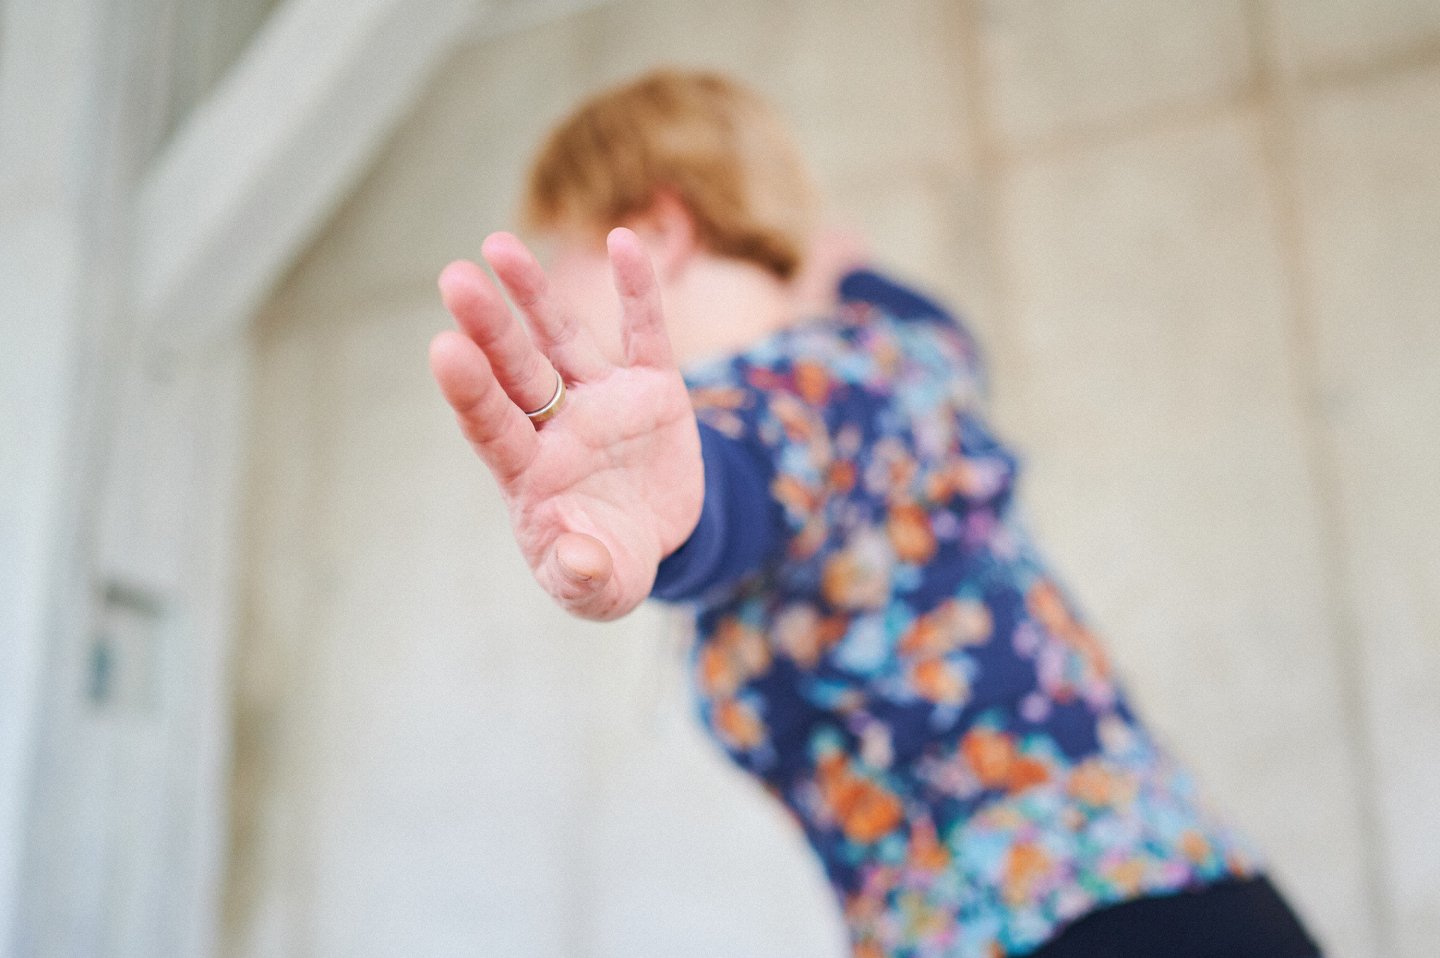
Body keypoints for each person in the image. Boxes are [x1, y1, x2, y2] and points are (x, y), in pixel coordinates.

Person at [428, 69, 1321, 958]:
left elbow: (752, 470)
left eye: (562, 249)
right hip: (1167, 895)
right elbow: (936, 333)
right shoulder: (898, 352)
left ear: (659, 229)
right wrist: (844, 272)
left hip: (1074, 926)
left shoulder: (798, 387)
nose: (551, 284)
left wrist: (677, 523)